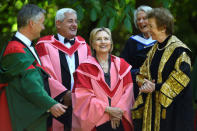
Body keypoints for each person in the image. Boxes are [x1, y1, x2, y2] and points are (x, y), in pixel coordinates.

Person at [0, 4, 67, 131]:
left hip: (30, 114)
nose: (43, 27)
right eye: (41, 23)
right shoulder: (16, 49)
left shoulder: (24, 47)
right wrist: (50, 104)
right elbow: (30, 84)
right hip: (24, 118)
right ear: (31, 23)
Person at [131, 8, 194, 131]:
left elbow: (181, 78)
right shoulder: (154, 49)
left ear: (163, 27)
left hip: (174, 112)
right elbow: (142, 74)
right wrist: (144, 83)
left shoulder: (179, 51)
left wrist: (156, 87)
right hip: (152, 109)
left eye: (151, 26)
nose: (147, 29)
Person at [35, 8, 91, 131]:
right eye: (70, 21)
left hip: (81, 103)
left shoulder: (84, 46)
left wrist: (80, 95)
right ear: (58, 23)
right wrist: (64, 93)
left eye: (76, 21)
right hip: (56, 104)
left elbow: (90, 73)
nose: (74, 24)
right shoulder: (44, 45)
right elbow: (45, 72)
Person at [72, 27, 134, 131]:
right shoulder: (84, 68)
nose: (103, 42)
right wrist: (108, 110)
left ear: (111, 42)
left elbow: (128, 93)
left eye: (106, 38)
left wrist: (118, 112)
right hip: (96, 122)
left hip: (120, 119)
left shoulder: (122, 65)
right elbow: (83, 97)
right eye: (98, 39)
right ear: (92, 44)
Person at [120, 5, 156, 99]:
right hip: (137, 88)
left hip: (157, 87)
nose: (141, 22)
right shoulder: (132, 42)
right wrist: (139, 75)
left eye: (144, 18)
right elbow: (123, 67)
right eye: (138, 19)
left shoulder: (161, 41)